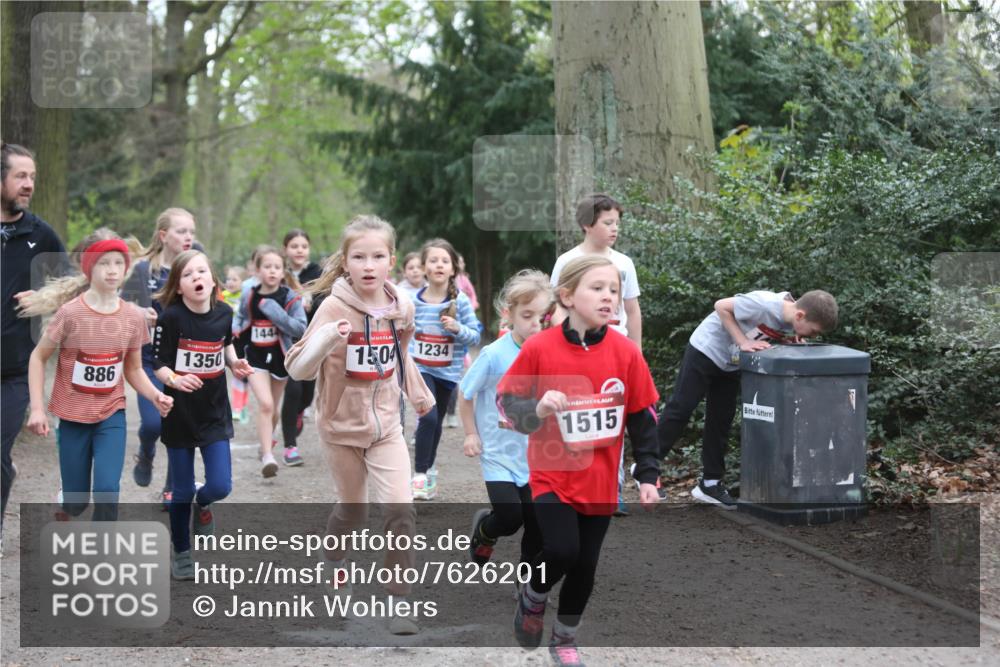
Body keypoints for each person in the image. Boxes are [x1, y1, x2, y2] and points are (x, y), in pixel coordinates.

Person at [497, 256, 661, 666]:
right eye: (598, 288)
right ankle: (534, 596)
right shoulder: (539, 348)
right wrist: (538, 407)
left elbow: (643, 418)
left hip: (600, 480)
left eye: (614, 290)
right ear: (567, 296)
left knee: (585, 566)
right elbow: (507, 404)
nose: (609, 297)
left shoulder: (626, 353)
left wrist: (648, 475)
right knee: (562, 549)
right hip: (551, 474)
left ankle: (564, 639)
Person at [285, 214, 434, 635]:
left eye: (378, 256)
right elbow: (297, 368)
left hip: (387, 426)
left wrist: (418, 394)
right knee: (354, 512)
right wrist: (327, 338)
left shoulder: (403, 307)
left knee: (401, 511)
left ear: (392, 261)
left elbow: (400, 357)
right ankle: (334, 559)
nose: (369, 265)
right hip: (340, 428)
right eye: (359, 257)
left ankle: (398, 602)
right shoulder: (332, 307)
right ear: (345, 261)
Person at [22, 230, 173, 521]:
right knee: (75, 502)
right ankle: (68, 503)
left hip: (111, 413)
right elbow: (38, 357)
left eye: (118, 263)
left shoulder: (132, 317)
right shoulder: (70, 314)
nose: (112, 270)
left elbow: (133, 368)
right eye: (104, 263)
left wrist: (155, 395)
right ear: (89, 268)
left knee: (107, 490)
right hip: (72, 416)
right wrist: (38, 409)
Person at [657, 289, 839, 508]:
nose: (813, 336)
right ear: (800, 315)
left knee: (721, 420)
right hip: (707, 350)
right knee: (682, 408)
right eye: (814, 331)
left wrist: (790, 339)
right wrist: (742, 340)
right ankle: (646, 467)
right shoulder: (764, 304)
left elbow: (766, 333)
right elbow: (721, 305)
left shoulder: (791, 317)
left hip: (731, 362)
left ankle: (710, 483)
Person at [151, 249, 253, 579]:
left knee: (220, 485)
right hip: (179, 414)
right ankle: (182, 553)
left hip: (213, 411)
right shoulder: (171, 318)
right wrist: (175, 380)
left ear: (213, 280)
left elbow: (224, 345)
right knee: (180, 491)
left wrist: (234, 363)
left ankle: (204, 503)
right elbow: (158, 364)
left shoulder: (224, 312)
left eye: (202, 271)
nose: (196, 277)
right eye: (188, 274)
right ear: (178, 286)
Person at [551, 193, 645, 516]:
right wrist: (563, 344)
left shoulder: (624, 263)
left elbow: (632, 310)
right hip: (576, 352)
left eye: (617, 223)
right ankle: (571, 485)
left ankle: (611, 489)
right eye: (607, 222)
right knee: (576, 416)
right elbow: (557, 308)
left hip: (616, 354)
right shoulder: (567, 262)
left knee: (612, 418)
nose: (614, 228)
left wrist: (637, 354)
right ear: (587, 225)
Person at [459, 269, 552, 570]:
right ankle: (485, 531)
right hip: (498, 453)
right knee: (511, 517)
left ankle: (526, 581)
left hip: (537, 456)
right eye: (527, 315)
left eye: (542, 317)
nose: (536, 323)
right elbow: (466, 393)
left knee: (537, 521)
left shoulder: (553, 354)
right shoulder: (494, 354)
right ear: (508, 314)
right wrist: (471, 434)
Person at [1, 142, 70, 536]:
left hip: (14, 369)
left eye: (32, 177)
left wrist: (46, 297)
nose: (29, 184)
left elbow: (74, 283)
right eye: (20, 176)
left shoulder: (39, 233)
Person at [121, 207, 196, 506]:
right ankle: (146, 451)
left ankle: (171, 487)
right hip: (149, 361)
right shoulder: (143, 270)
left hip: (183, 361)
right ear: (164, 235)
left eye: (191, 231)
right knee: (154, 424)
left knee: (179, 427)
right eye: (182, 231)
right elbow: (120, 307)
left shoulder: (194, 265)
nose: (188, 237)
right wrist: (140, 312)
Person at [410, 238, 481, 500]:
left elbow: (475, 337)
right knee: (428, 417)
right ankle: (419, 475)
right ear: (424, 267)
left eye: (444, 261)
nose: (439, 265)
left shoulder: (460, 302)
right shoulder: (413, 300)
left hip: (448, 373)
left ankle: (428, 470)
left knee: (436, 421)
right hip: (420, 369)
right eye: (433, 260)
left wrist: (457, 328)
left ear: (453, 269)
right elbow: (406, 333)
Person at [233, 246, 306, 477]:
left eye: (277, 267)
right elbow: (241, 317)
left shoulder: (290, 297)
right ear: (257, 270)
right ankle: (267, 456)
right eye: (267, 267)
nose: (272, 271)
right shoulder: (250, 294)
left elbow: (300, 328)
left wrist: (274, 311)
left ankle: (266, 441)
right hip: (255, 357)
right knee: (265, 404)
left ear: (283, 271)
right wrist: (236, 330)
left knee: (273, 408)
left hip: (280, 357)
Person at [279, 229, 323, 465]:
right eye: (294, 246)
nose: (299, 250)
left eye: (303, 246)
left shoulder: (316, 273)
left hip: (312, 338)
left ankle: (297, 413)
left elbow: (325, 300)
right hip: (287, 340)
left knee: (307, 395)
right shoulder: (279, 272)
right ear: (285, 249)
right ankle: (290, 447)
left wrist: (310, 304)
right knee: (293, 390)